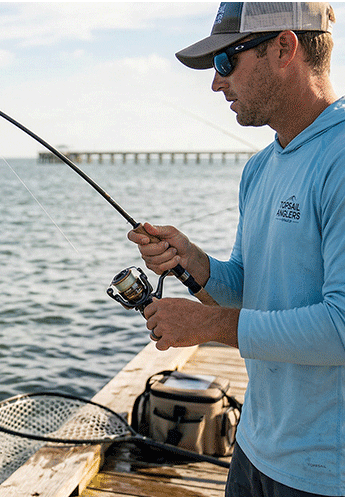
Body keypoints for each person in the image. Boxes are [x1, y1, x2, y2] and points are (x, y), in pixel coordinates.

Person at [127, 2, 345, 496]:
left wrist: (207, 326)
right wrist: (197, 266)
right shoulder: (260, 169)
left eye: (226, 61)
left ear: (284, 47)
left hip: (326, 475)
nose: (215, 83)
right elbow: (247, 289)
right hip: (253, 448)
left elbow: (342, 325)